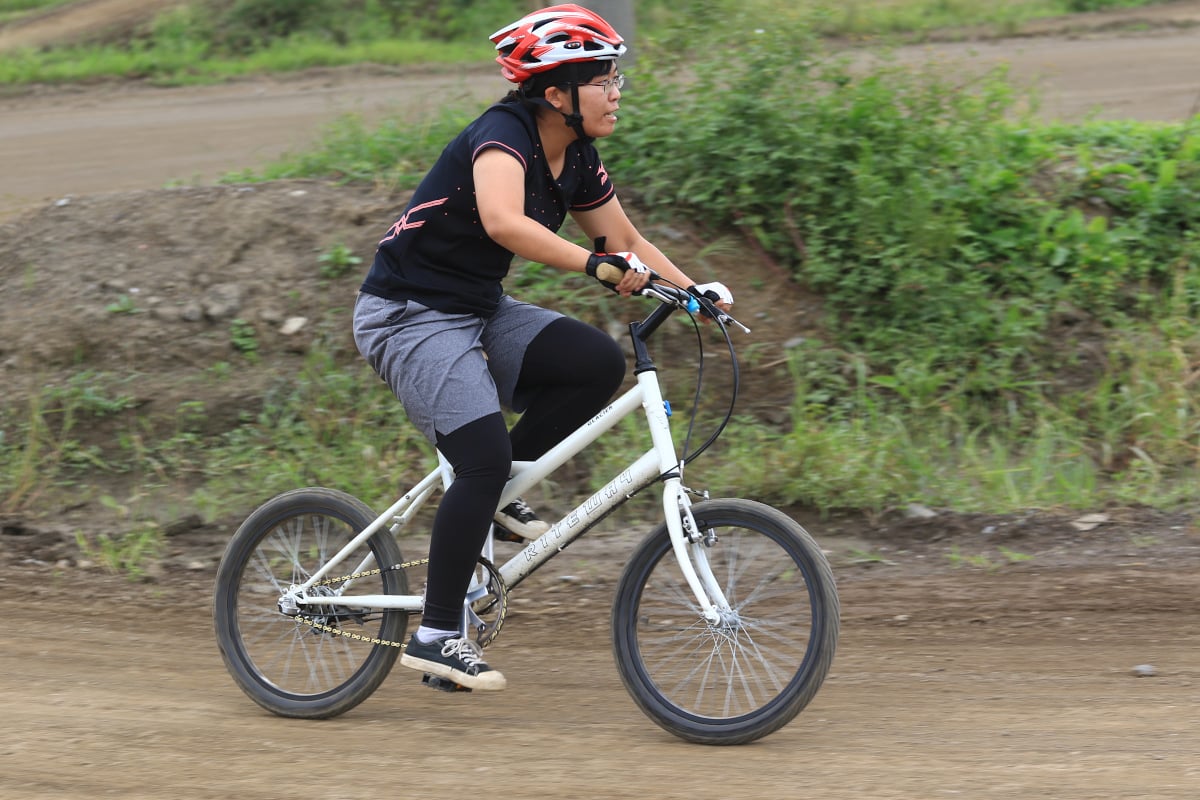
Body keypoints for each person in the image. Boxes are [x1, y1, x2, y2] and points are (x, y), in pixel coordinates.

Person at [352, 4, 733, 692]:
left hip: (474, 308)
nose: (617, 91)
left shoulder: (577, 155)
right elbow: (502, 221)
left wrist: (694, 295)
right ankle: (438, 634)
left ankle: (499, 492)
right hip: (408, 316)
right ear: (556, 93)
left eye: (616, 78)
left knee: (593, 364)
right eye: (603, 80)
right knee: (479, 457)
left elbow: (625, 240)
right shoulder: (503, 136)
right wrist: (593, 268)